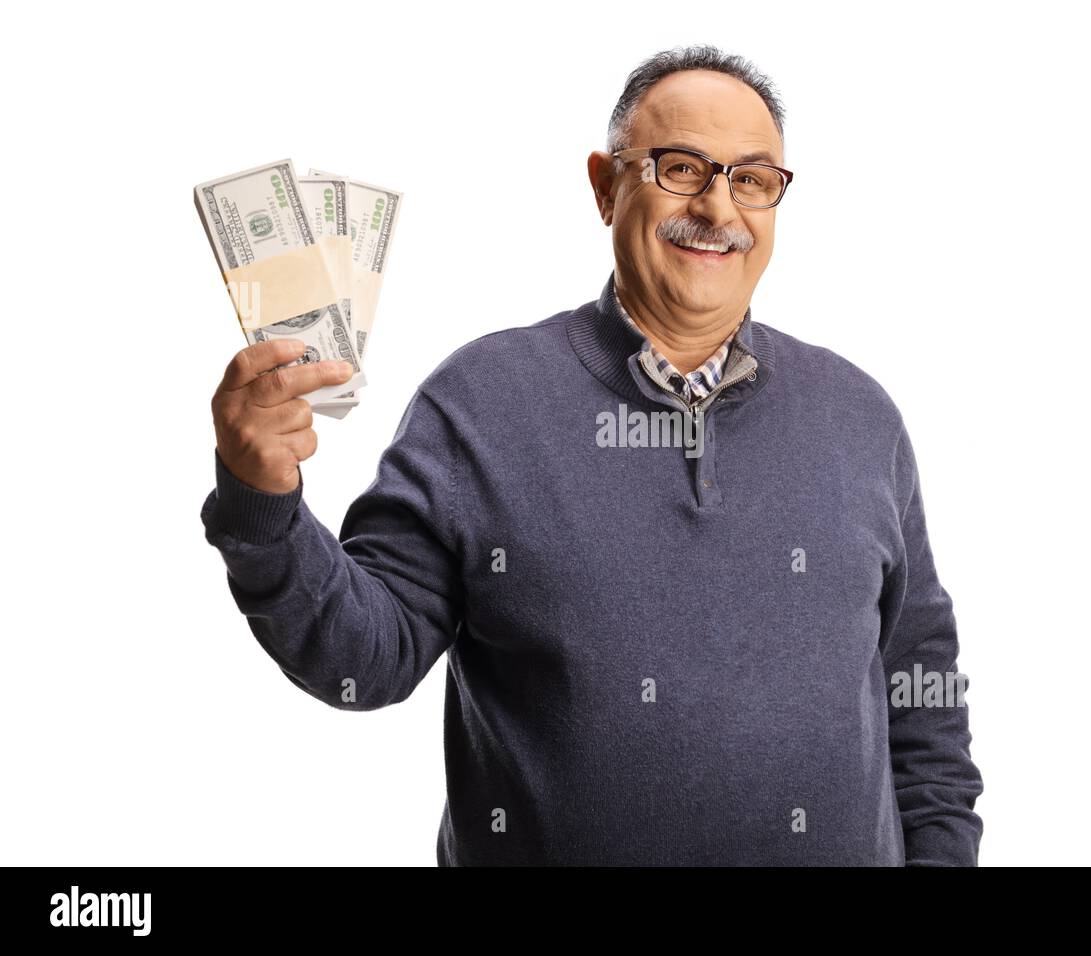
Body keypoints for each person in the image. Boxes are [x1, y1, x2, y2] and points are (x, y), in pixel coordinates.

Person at [202, 44, 984, 866]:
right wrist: (263, 502)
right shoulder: (480, 403)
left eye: (753, 179)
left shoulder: (861, 418)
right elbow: (364, 658)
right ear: (606, 186)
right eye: (682, 168)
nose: (720, 209)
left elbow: (921, 696)